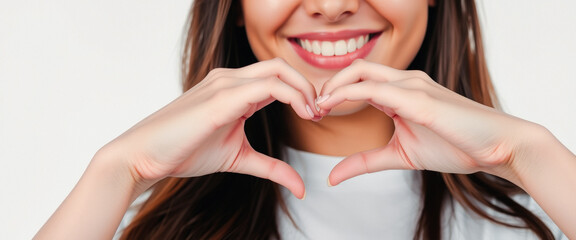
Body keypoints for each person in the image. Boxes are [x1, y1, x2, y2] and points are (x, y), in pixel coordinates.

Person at [35, 0, 576, 239]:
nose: (331, 5)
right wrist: (116, 169)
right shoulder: (144, 228)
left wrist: (529, 155)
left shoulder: (541, 213)